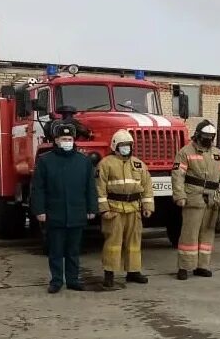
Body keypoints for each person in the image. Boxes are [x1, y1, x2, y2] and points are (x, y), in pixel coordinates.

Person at [30, 124, 98, 294]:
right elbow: (38, 188)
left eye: (69, 139)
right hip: (55, 214)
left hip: (77, 213)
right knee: (56, 251)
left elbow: (90, 187)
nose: (67, 142)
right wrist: (40, 211)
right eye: (63, 139)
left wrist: (92, 209)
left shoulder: (83, 161)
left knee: (74, 251)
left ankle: (73, 280)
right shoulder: (45, 161)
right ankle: (56, 281)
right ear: (56, 140)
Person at [171, 120, 220, 280]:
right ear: (198, 135)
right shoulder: (185, 152)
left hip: (213, 199)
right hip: (193, 198)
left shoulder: (217, 153)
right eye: (206, 137)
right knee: (189, 234)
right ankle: (184, 267)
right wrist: (179, 196)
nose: (208, 140)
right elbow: (178, 176)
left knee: (207, 234)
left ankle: (202, 266)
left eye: (211, 137)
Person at [95, 129, 153, 289]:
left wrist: (148, 206)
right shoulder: (106, 164)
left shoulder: (139, 164)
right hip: (114, 210)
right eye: (123, 145)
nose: (126, 148)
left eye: (128, 145)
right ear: (115, 146)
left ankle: (133, 271)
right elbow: (99, 188)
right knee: (113, 243)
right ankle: (109, 273)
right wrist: (104, 209)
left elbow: (147, 187)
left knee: (134, 242)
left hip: (134, 210)